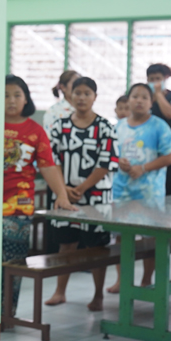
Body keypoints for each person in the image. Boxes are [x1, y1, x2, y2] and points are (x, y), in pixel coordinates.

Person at [3, 75, 75, 314]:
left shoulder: (35, 130)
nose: (11, 100)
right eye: (5, 95)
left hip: (18, 207)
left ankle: (6, 314)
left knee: (13, 263)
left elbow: (47, 166)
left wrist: (62, 195)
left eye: (17, 95)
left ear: (26, 99)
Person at [45, 77, 118, 311]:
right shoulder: (60, 126)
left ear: (95, 97)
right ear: (70, 95)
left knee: (95, 248)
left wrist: (83, 187)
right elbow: (51, 160)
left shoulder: (105, 126)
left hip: (96, 197)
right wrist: (63, 189)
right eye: (78, 93)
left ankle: (97, 295)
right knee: (65, 244)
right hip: (64, 195)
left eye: (87, 93)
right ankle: (60, 291)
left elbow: (106, 162)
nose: (82, 98)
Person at [108, 84, 171, 293]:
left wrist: (144, 168)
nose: (139, 101)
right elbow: (110, 154)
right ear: (128, 100)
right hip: (122, 191)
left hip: (149, 194)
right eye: (135, 96)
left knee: (151, 237)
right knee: (121, 236)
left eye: (144, 97)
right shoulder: (118, 127)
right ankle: (122, 280)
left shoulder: (159, 126)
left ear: (151, 102)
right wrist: (119, 162)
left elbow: (170, 157)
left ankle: (147, 279)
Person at [147, 63, 171, 196]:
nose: (155, 82)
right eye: (151, 79)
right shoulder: (145, 99)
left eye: (158, 79)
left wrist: (158, 94)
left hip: (168, 151)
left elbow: (170, 113)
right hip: (148, 150)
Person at [42, 70, 79, 137]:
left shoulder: (85, 109)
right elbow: (49, 138)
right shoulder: (53, 112)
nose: (79, 87)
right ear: (63, 87)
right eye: (75, 83)